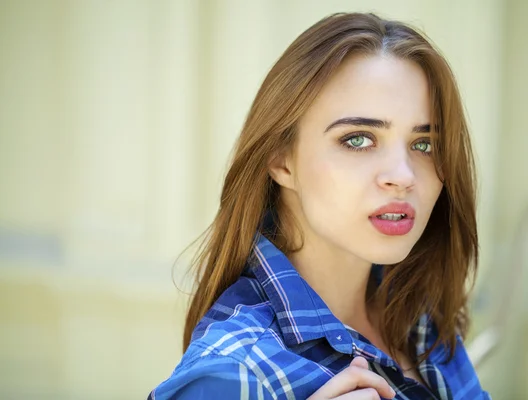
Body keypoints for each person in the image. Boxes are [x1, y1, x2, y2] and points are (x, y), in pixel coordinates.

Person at [149, 12, 490, 400]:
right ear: (281, 159)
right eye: (358, 139)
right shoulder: (234, 372)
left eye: (423, 145)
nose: (403, 175)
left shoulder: (418, 319)